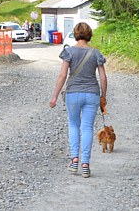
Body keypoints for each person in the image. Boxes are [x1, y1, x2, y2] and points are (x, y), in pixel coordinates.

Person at [49, 22, 107, 178]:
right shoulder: (96, 53)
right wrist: (103, 96)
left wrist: (54, 96)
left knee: (74, 124)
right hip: (92, 94)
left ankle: (74, 160)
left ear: (75, 34)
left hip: (73, 93)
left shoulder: (69, 52)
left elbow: (62, 75)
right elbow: (102, 77)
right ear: (89, 35)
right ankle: (86, 164)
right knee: (87, 128)